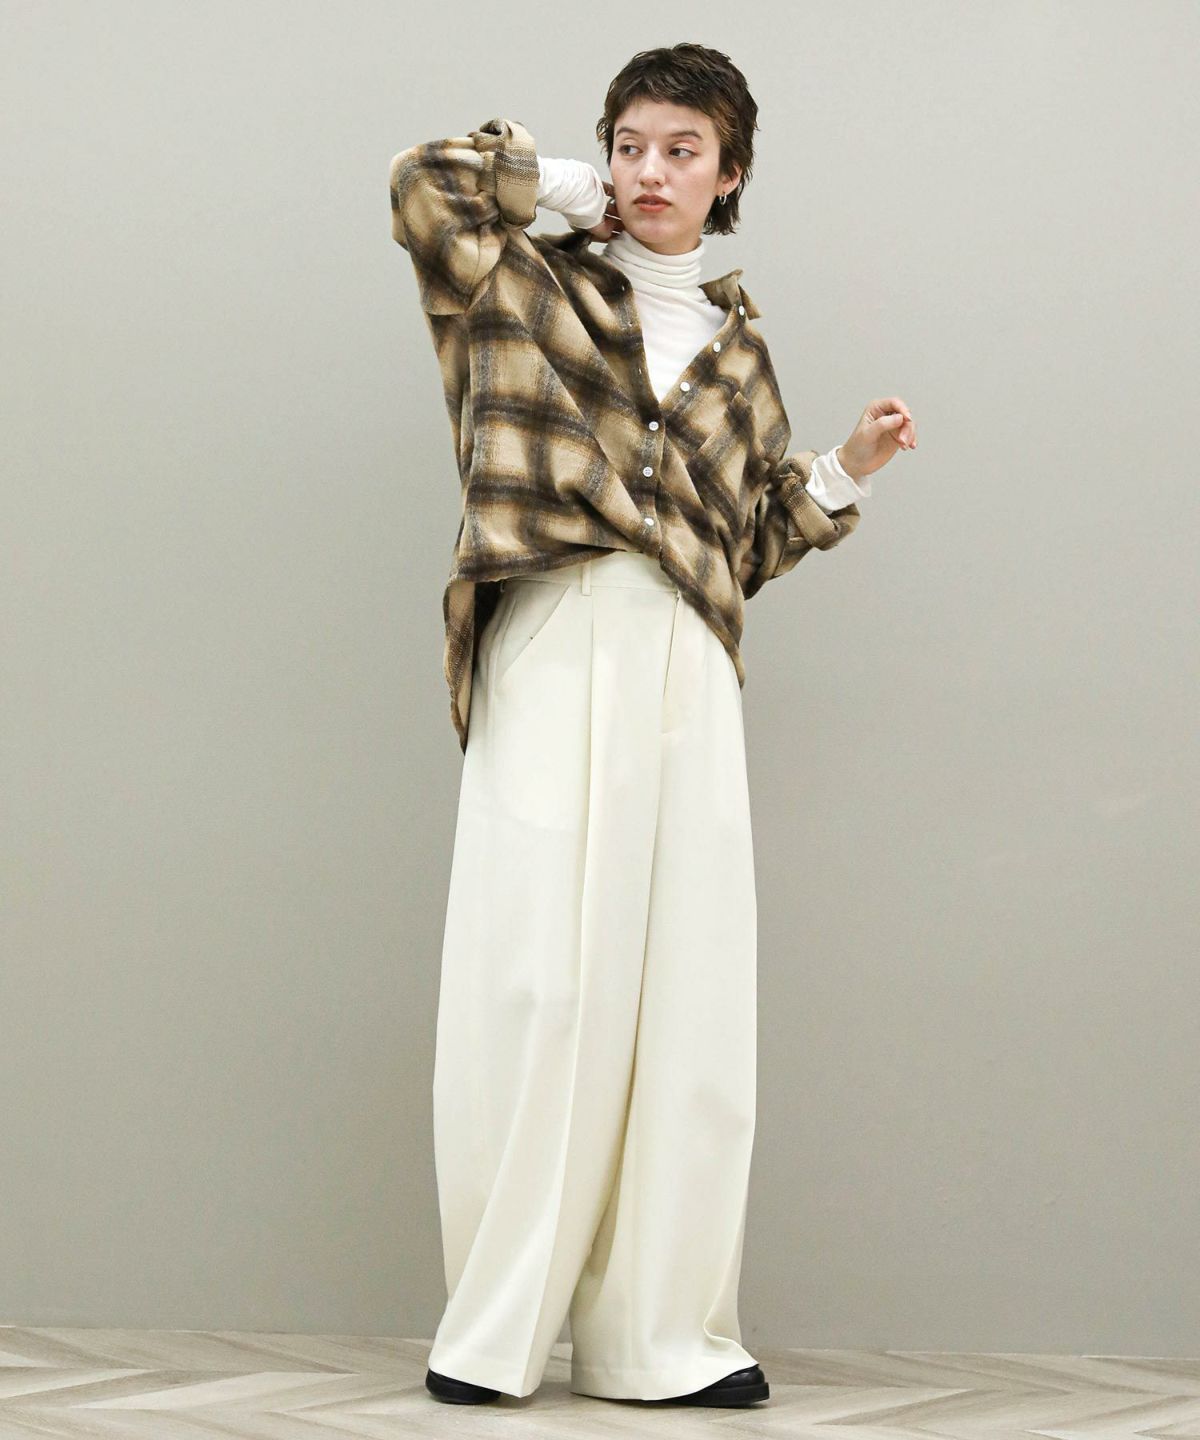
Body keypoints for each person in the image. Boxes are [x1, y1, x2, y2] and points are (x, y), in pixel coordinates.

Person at [388, 42, 917, 1411]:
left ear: (730, 174)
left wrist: (843, 471)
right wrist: (569, 190)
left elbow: (745, 543)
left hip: (686, 651)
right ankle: (491, 1331)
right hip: (555, 625)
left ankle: (660, 1340)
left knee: (686, 991)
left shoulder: (741, 357)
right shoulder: (529, 282)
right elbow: (426, 184)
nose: (649, 171)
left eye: (682, 151)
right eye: (631, 144)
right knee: (541, 981)